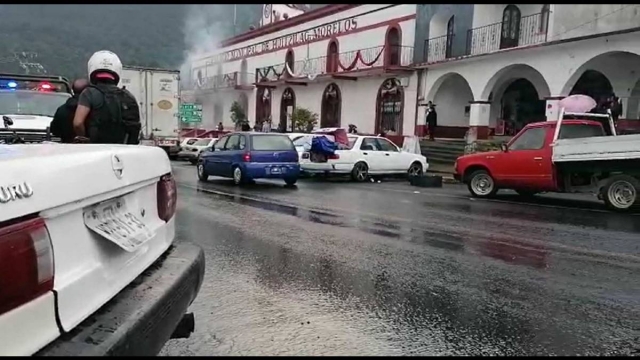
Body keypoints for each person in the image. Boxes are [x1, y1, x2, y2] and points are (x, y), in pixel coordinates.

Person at [72, 50, 141, 144]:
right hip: (121, 148)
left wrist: (83, 138)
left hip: (96, 147)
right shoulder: (128, 95)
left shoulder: (89, 93)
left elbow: (77, 123)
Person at [50, 78, 89, 143]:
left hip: (66, 147)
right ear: (88, 91)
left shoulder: (62, 109)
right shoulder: (93, 109)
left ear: (73, 90)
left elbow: (54, 130)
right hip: (90, 148)